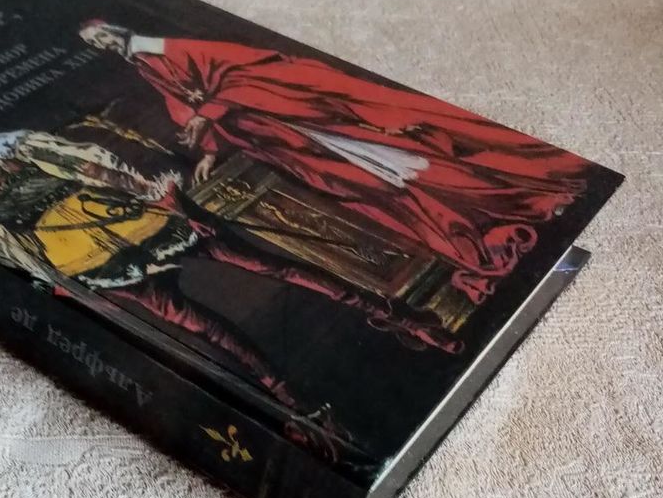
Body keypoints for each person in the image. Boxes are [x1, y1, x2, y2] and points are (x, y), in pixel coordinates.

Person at [0, 120, 462, 459]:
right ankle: (301, 410)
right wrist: (51, 279)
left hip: (127, 216)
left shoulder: (10, 148)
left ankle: (397, 315)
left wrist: (156, 195)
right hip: (81, 256)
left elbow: (90, 165)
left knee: (269, 265)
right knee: (201, 327)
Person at [77, 21, 590, 304]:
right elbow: (189, 108)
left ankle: (508, 201)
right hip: (283, 139)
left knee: (405, 163)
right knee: (379, 189)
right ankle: (471, 225)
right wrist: (209, 147)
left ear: (115, 31)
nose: (104, 47)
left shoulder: (172, 46)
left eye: (102, 38)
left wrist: (206, 115)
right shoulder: (145, 66)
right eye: (96, 46)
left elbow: (241, 74)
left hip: (305, 115)